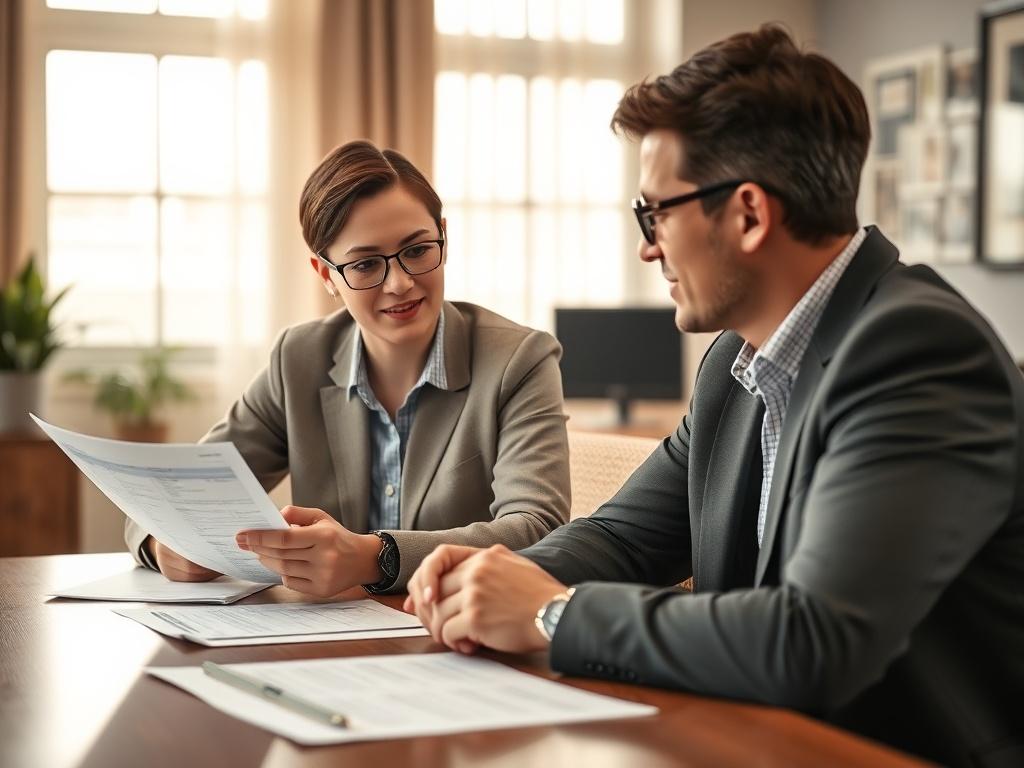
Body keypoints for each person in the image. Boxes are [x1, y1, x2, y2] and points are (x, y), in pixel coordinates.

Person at [406, 25, 1024, 766]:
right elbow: (627, 539)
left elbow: (812, 642)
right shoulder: (735, 358)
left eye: (655, 213)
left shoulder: (916, 351)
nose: (647, 246)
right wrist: (492, 579)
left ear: (750, 214)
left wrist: (547, 612)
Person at [125, 140, 570, 595]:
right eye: (365, 264)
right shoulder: (299, 359)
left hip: (458, 635)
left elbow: (539, 530)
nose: (400, 283)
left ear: (444, 238)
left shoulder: (520, 360)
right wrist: (164, 544)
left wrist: (374, 557)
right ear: (325, 275)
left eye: (417, 251)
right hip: (325, 639)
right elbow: (174, 494)